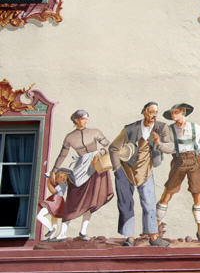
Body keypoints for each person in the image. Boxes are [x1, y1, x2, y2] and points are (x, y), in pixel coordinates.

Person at [152, 103, 200, 242]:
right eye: (172, 113)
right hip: (178, 161)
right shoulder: (169, 130)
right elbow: (168, 148)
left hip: (194, 161)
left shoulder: (196, 128)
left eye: (175, 112)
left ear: (183, 112)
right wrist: (159, 144)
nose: (173, 115)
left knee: (198, 195)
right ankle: (154, 230)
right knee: (167, 194)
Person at [109, 102, 170, 247]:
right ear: (144, 112)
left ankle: (153, 237)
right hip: (126, 169)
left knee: (149, 204)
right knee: (126, 204)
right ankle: (129, 238)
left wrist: (159, 142)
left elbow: (170, 147)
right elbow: (113, 148)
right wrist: (117, 169)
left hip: (145, 170)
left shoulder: (162, 128)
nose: (154, 115)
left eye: (156, 112)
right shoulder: (131, 129)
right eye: (151, 112)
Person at [50, 110, 114, 241]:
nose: (86, 121)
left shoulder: (95, 131)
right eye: (84, 119)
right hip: (80, 169)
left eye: (86, 119)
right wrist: (54, 170)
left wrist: (102, 152)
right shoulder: (69, 137)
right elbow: (63, 154)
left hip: (96, 167)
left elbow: (109, 145)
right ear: (76, 120)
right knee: (73, 200)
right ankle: (62, 233)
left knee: (92, 200)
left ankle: (83, 231)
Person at [37, 168, 71, 240]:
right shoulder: (59, 184)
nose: (63, 179)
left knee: (40, 216)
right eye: (61, 177)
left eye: (64, 178)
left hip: (56, 201)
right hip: (56, 200)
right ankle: (51, 236)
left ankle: (51, 229)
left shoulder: (62, 185)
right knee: (54, 218)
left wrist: (48, 180)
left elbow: (53, 191)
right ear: (57, 177)